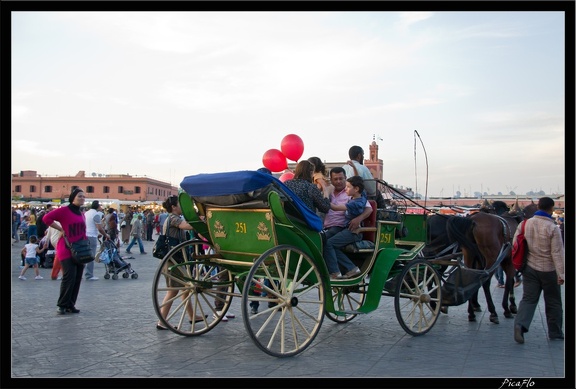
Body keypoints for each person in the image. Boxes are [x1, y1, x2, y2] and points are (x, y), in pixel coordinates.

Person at [513, 197, 564, 344]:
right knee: (553, 302)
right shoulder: (552, 228)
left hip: (530, 268)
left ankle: (520, 325)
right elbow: (557, 253)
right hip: (549, 270)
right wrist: (561, 274)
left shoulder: (525, 224)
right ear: (551, 209)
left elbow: (516, 243)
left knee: (528, 299)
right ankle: (555, 332)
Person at [156, 195, 204, 329]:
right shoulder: (173, 218)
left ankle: (192, 316)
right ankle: (162, 321)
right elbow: (186, 226)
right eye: (180, 205)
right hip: (173, 260)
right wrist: (199, 220)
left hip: (175, 258)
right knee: (173, 290)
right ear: (173, 207)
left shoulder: (172, 217)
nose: (182, 208)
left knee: (185, 289)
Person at [43, 188, 88, 315]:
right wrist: (61, 229)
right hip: (66, 248)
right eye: (80, 196)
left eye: (84, 197)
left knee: (78, 278)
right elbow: (46, 219)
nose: (82, 198)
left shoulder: (81, 213)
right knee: (69, 277)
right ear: (73, 198)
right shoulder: (64, 211)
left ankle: (70, 304)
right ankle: (62, 305)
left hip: (80, 249)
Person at [323, 176, 367, 279]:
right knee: (330, 244)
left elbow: (336, 208)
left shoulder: (356, 203)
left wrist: (325, 197)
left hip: (353, 232)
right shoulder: (359, 197)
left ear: (356, 189)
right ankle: (351, 268)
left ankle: (335, 272)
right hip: (348, 230)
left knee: (329, 244)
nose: (345, 189)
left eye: (348, 187)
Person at [84, 200, 109, 281]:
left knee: (84, 255)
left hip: (85, 235)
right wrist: (105, 235)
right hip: (91, 236)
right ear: (98, 206)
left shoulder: (86, 213)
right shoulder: (96, 214)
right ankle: (89, 275)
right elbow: (99, 227)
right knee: (91, 256)